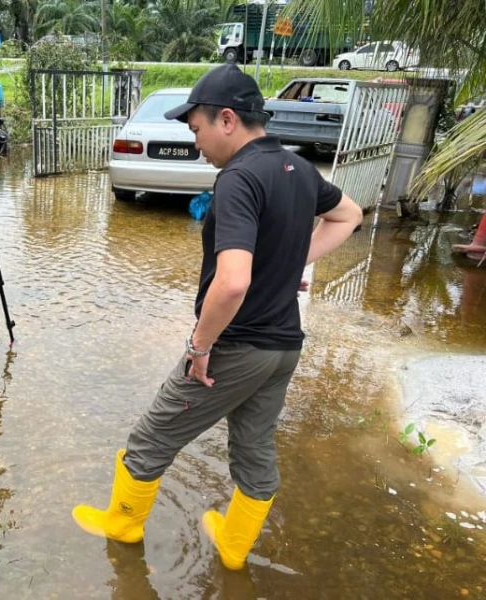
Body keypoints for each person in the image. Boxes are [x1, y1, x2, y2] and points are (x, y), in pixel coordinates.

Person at [71, 64, 363, 570]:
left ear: (226, 120)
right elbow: (349, 216)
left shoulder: (239, 179)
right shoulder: (297, 168)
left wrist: (199, 348)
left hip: (238, 345)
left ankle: (122, 525)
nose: (197, 142)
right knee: (252, 446)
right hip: (283, 348)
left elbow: (232, 282)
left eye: (197, 129)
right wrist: (292, 262)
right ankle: (233, 545)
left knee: (151, 438)